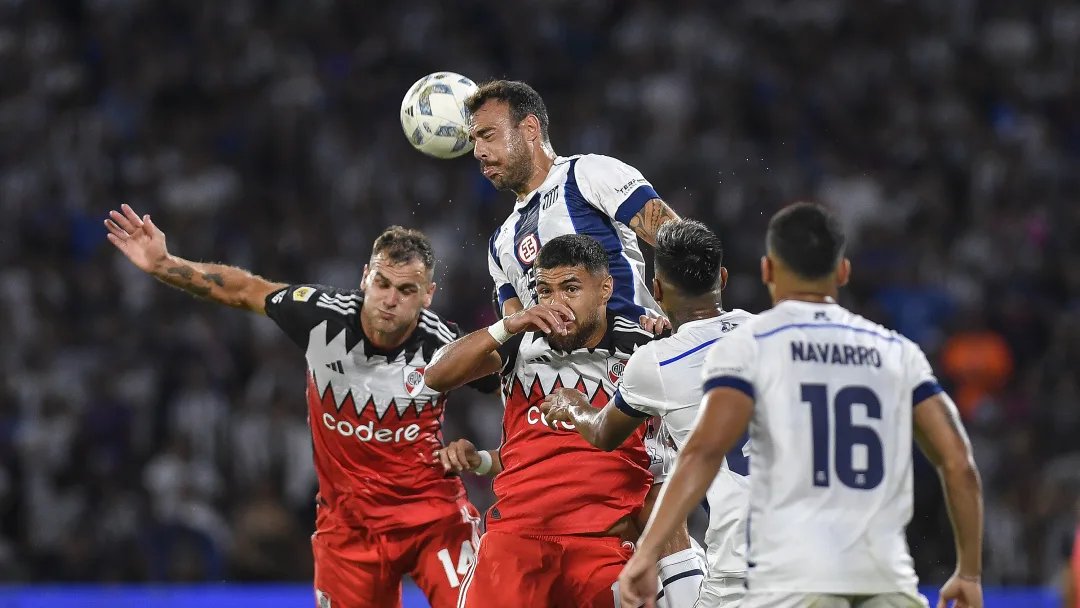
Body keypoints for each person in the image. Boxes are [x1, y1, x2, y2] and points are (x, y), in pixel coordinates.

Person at [104, 204, 495, 608]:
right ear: (365, 278)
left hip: (432, 519)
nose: (390, 300)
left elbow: (513, 385)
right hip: (348, 529)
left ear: (427, 295)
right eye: (382, 283)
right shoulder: (319, 317)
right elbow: (243, 289)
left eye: (406, 290)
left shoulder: (446, 345)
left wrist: (490, 455)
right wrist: (164, 264)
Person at [619, 202, 985, 608]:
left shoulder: (750, 349)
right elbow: (959, 463)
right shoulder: (896, 350)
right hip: (881, 574)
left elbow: (703, 452)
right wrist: (969, 572)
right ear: (843, 271)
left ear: (768, 272)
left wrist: (648, 552)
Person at [425, 235, 656, 607]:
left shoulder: (643, 348)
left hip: (603, 548)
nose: (556, 304)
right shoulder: (519, 345)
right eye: (545, 291)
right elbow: (435, 376)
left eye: (570, 288)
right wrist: (508, 325)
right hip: (516, 542)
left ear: (605, 288)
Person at [540, 219, 753, 607]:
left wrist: (574, 405)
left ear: (655, 290)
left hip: (743, 561)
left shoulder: (656, 361)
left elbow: (603, 433)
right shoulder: (772, 334)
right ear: (722, 277)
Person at [467, 79, 680, 321]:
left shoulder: (586, 174)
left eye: (487, 135)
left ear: (530, 128)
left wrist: (681, 321)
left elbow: (678, 243)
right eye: (474, 141)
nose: (478, 152)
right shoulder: (498, 243)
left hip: (627, 352)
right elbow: (514, 333)